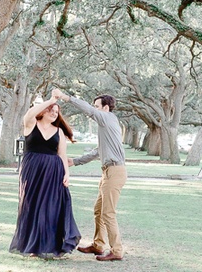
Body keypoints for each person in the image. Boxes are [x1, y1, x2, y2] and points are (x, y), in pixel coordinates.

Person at [52, 89, 126, 261]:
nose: (94, 109)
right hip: (107, 172)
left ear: (106, 108)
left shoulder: (107, 118)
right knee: (98, 210)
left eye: (97, 106)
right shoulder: (106, 127)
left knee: (108, 213)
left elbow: (89, 110)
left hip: (115, 171)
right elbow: (97, 152)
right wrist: (74, 161)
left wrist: (66, 97)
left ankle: (117, 250)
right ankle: (98, 245)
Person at [9, 96, 81, 259]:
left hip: (53, 171)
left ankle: (52, 246)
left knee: (50, 208)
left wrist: (66, 174)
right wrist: (51, 99)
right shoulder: (31, 124)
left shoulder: (59, 132)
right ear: (43, 110)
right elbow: (28, 115)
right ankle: (33, 246)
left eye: (57, 112)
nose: (55, 114)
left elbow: (62, 154)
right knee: (32, 206)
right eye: (52, 110)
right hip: (32, 170)